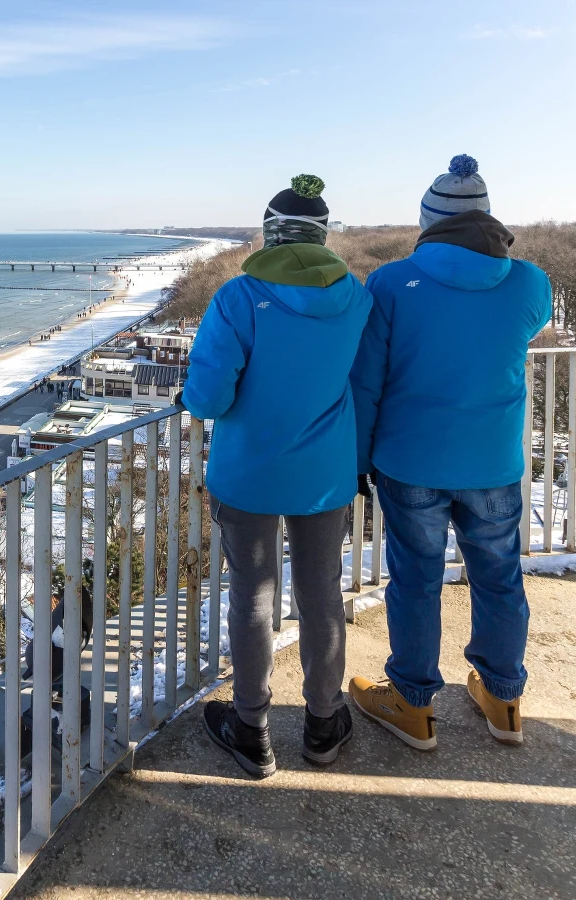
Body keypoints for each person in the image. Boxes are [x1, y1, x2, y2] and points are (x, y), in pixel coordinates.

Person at [348, 155, 552, 750]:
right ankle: (503, 698)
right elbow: (524, 326)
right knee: (499, 577)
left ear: (429, 222)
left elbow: (367, 380)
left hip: (409, 461)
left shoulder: (390, 282)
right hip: (491, 461)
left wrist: (358, 458)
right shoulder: (530, 281)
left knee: (415, 580)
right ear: (487, 217)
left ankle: (413, 705)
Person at [182, 174, 372, 778]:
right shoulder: (356, 296)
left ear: (270, 233)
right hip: (325, 475)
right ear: (322, 238)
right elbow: (358, 379)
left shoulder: (239, 298)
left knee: (253, 598)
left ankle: (252, 728)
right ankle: (322, 722)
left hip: (252, 474)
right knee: (322, 596)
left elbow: (207, 398)